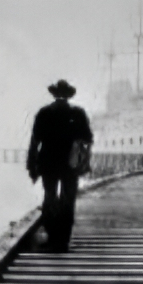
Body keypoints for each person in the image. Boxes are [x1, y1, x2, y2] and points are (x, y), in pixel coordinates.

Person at [27, 79, 93, 253]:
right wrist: (85, 162)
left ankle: (52, 238)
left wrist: (32, 166)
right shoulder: (77, 113)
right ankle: (62, 241)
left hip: (48, 163)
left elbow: (34, 142)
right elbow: (87, 141)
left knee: (50, 199)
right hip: (70, 164)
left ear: (54, 95)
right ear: (68, 96)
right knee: (68, 201)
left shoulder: (44, 113)